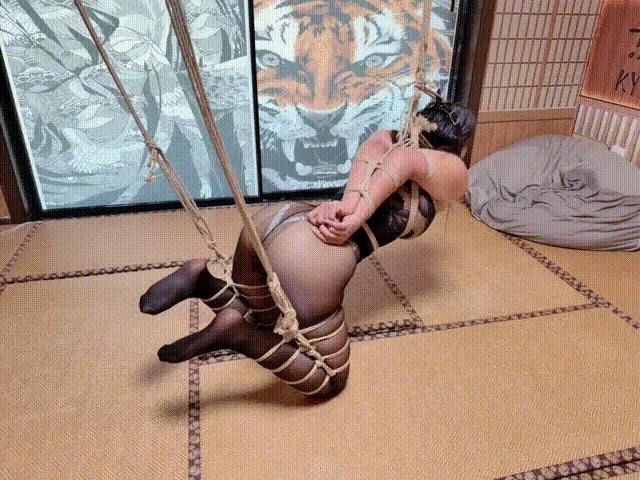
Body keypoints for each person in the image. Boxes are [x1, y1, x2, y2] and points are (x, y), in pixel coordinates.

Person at [139, 100, 476, 396]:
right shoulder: (452, 168)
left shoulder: (386, 137)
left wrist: (343, 205)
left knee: (266, 316)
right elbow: (405, 161)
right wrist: (353, 218)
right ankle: (235, 333)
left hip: (281, 219)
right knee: (330, 380)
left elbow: (371, 163)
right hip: (313, 256)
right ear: (459, 145)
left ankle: (202, 281)